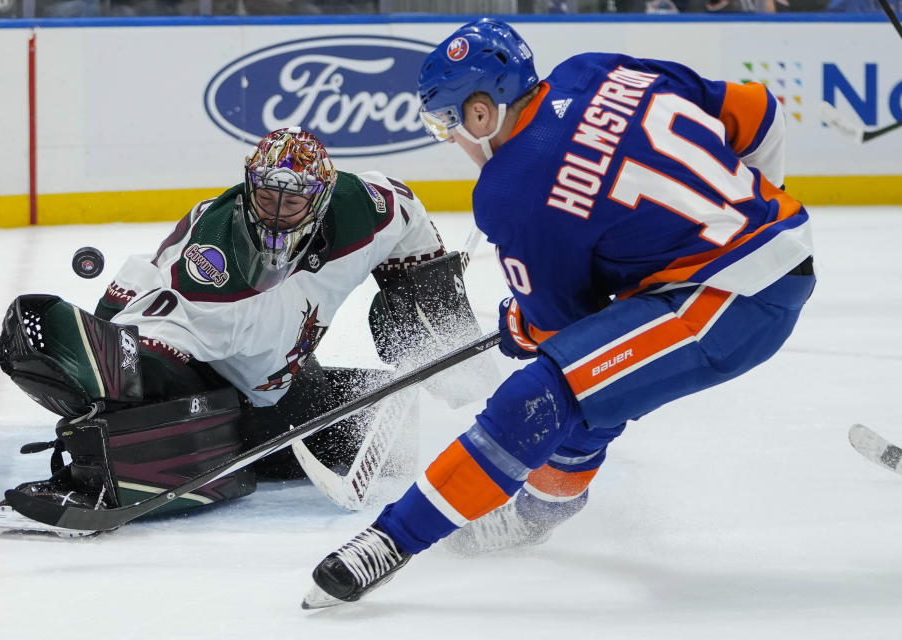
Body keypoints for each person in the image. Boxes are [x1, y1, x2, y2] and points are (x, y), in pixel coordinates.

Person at [303, 18, 815, 608]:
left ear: (481, 113)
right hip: (752, 260)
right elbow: (760, 112)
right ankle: (543, 511)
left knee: (541, 396)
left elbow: (560, 332)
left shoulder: (511, 189)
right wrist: (746, 217)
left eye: (449, 124)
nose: (455, 141)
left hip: (731, 303)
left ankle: (392, 539)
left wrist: (521, 325)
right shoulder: (595, 68)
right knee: (589, 383)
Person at [0, 127, 481, 531]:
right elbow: (141, 341)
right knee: (138, 383)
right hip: (208, 371)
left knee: (412, 432)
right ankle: (114, 451)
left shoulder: (365, 208)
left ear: (322, 199)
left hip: (284, 378)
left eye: (291, 202)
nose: (274, 212)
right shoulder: (213, 266)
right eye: (266, 195)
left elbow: (409, 215)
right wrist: (120, 400)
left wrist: (430, 323)